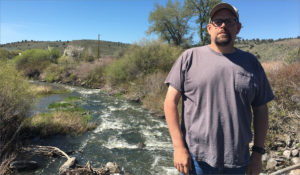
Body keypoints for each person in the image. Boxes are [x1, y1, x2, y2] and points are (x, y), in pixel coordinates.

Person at [164, 2, 274, 175]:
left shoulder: (251, 63)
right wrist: (178, 147)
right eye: (218, 21)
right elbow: (170, 102)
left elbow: (261, 109)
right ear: (209, 28)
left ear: (237, 28)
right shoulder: (189, 57)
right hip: (196, 159)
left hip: (238, 161)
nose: (223, 25)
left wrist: (258, 154)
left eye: (229, 21)